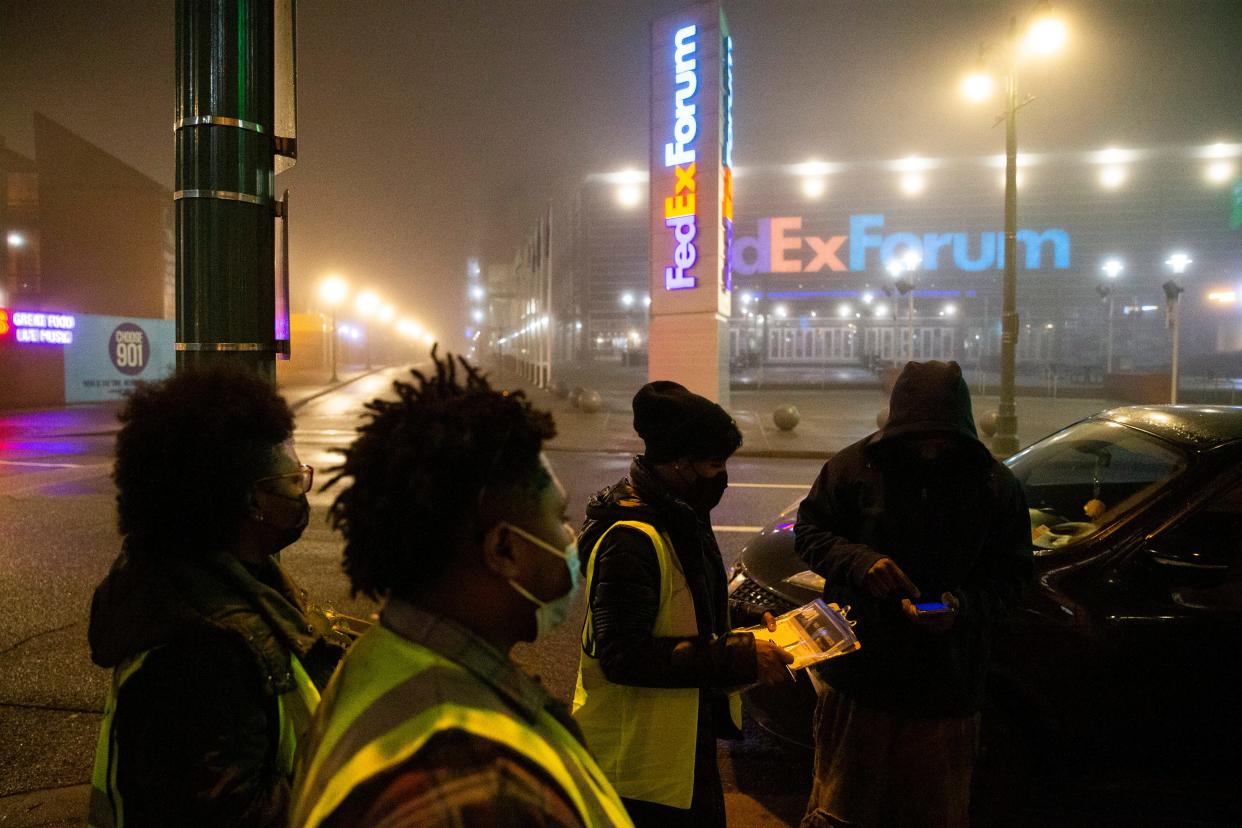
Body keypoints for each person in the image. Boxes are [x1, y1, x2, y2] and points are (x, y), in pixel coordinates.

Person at [290, 351, 632, 828]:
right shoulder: (477, 791)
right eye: (560, 519)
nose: (571, 538)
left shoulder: (381, 659)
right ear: (504, 549)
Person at [88, 365, 350, 827]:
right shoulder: (201, 653)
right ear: (252, 502)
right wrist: (357, 779)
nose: (301, 489)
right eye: (293, 480)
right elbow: (236, 814)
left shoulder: (223, 582)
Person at [794, 360, 1033, 828]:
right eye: (918, 436)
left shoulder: (993, 485)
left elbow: (1012, 578)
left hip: (947, 689)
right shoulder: (853, 467)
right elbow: (810, 533)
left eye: (940, 437)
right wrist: (861, 563)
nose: (929, 449)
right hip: (859, 680)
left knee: (933, 814)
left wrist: (961, 608)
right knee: (842, 812)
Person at [572, 380, 794, 827]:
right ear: (678, 462)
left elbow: (679, 606)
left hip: (678, 752)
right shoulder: (631, 538)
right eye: (714, 464)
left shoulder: (677, 515)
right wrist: (739, 655)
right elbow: (623, 655)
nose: (722, 477)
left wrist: (743, 619)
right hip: (636, 768)